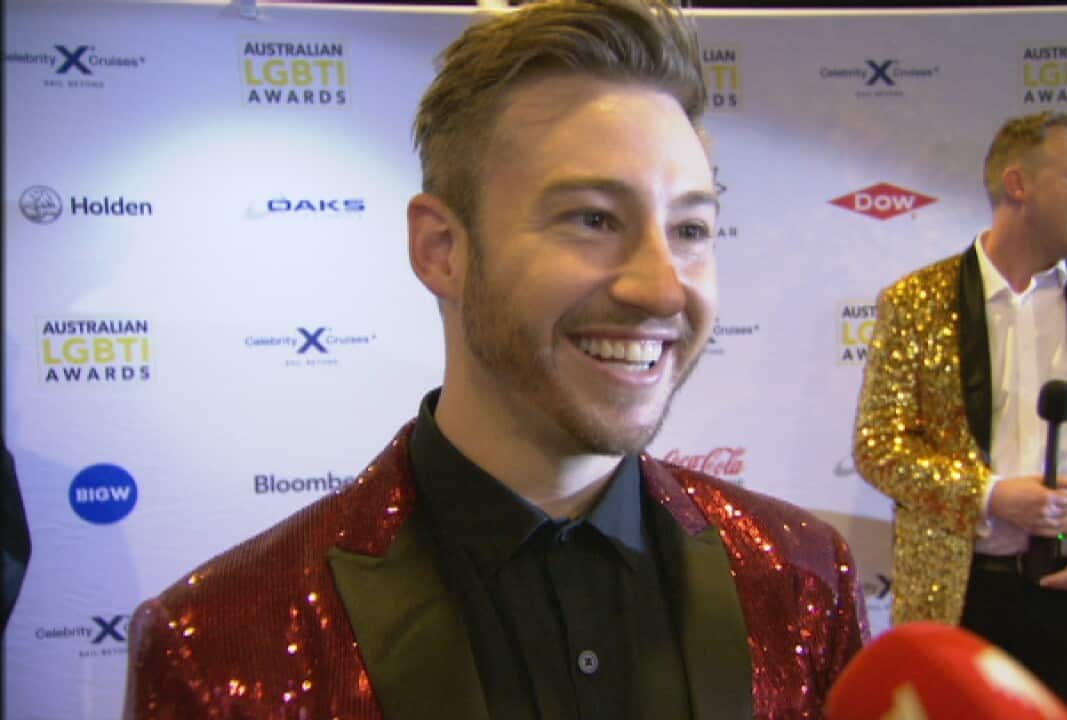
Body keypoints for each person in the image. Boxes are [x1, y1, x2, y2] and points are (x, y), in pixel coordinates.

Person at [124, 1, 868, 717]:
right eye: (593, 219)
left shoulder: (801, 576)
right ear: (441, 250)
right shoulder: (223, 641)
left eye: (692, 228)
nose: (661, 286)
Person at [853, 111, 1067, 719]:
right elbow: (879, 445)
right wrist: (990, 496)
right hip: (964, 600)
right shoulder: (915, 301)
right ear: (1020, 185)